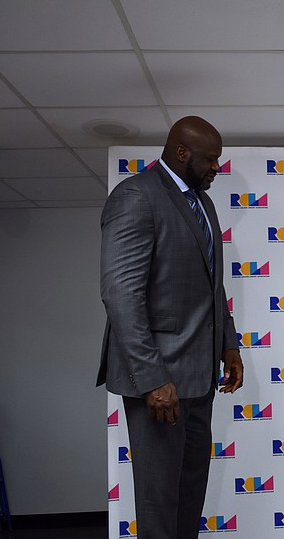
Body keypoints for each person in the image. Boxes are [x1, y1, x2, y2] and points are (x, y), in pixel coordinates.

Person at [97, 116, 244, 539]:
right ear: (181, 152)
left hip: (199, 379)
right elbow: (121, 294)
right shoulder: (136, 196)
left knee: (189, 497)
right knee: (159, 504)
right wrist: (152, 379)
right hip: (158, 383)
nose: (216, 167)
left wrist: (229, 344)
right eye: (210, 159)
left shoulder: (203, 203)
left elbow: (212, 283)